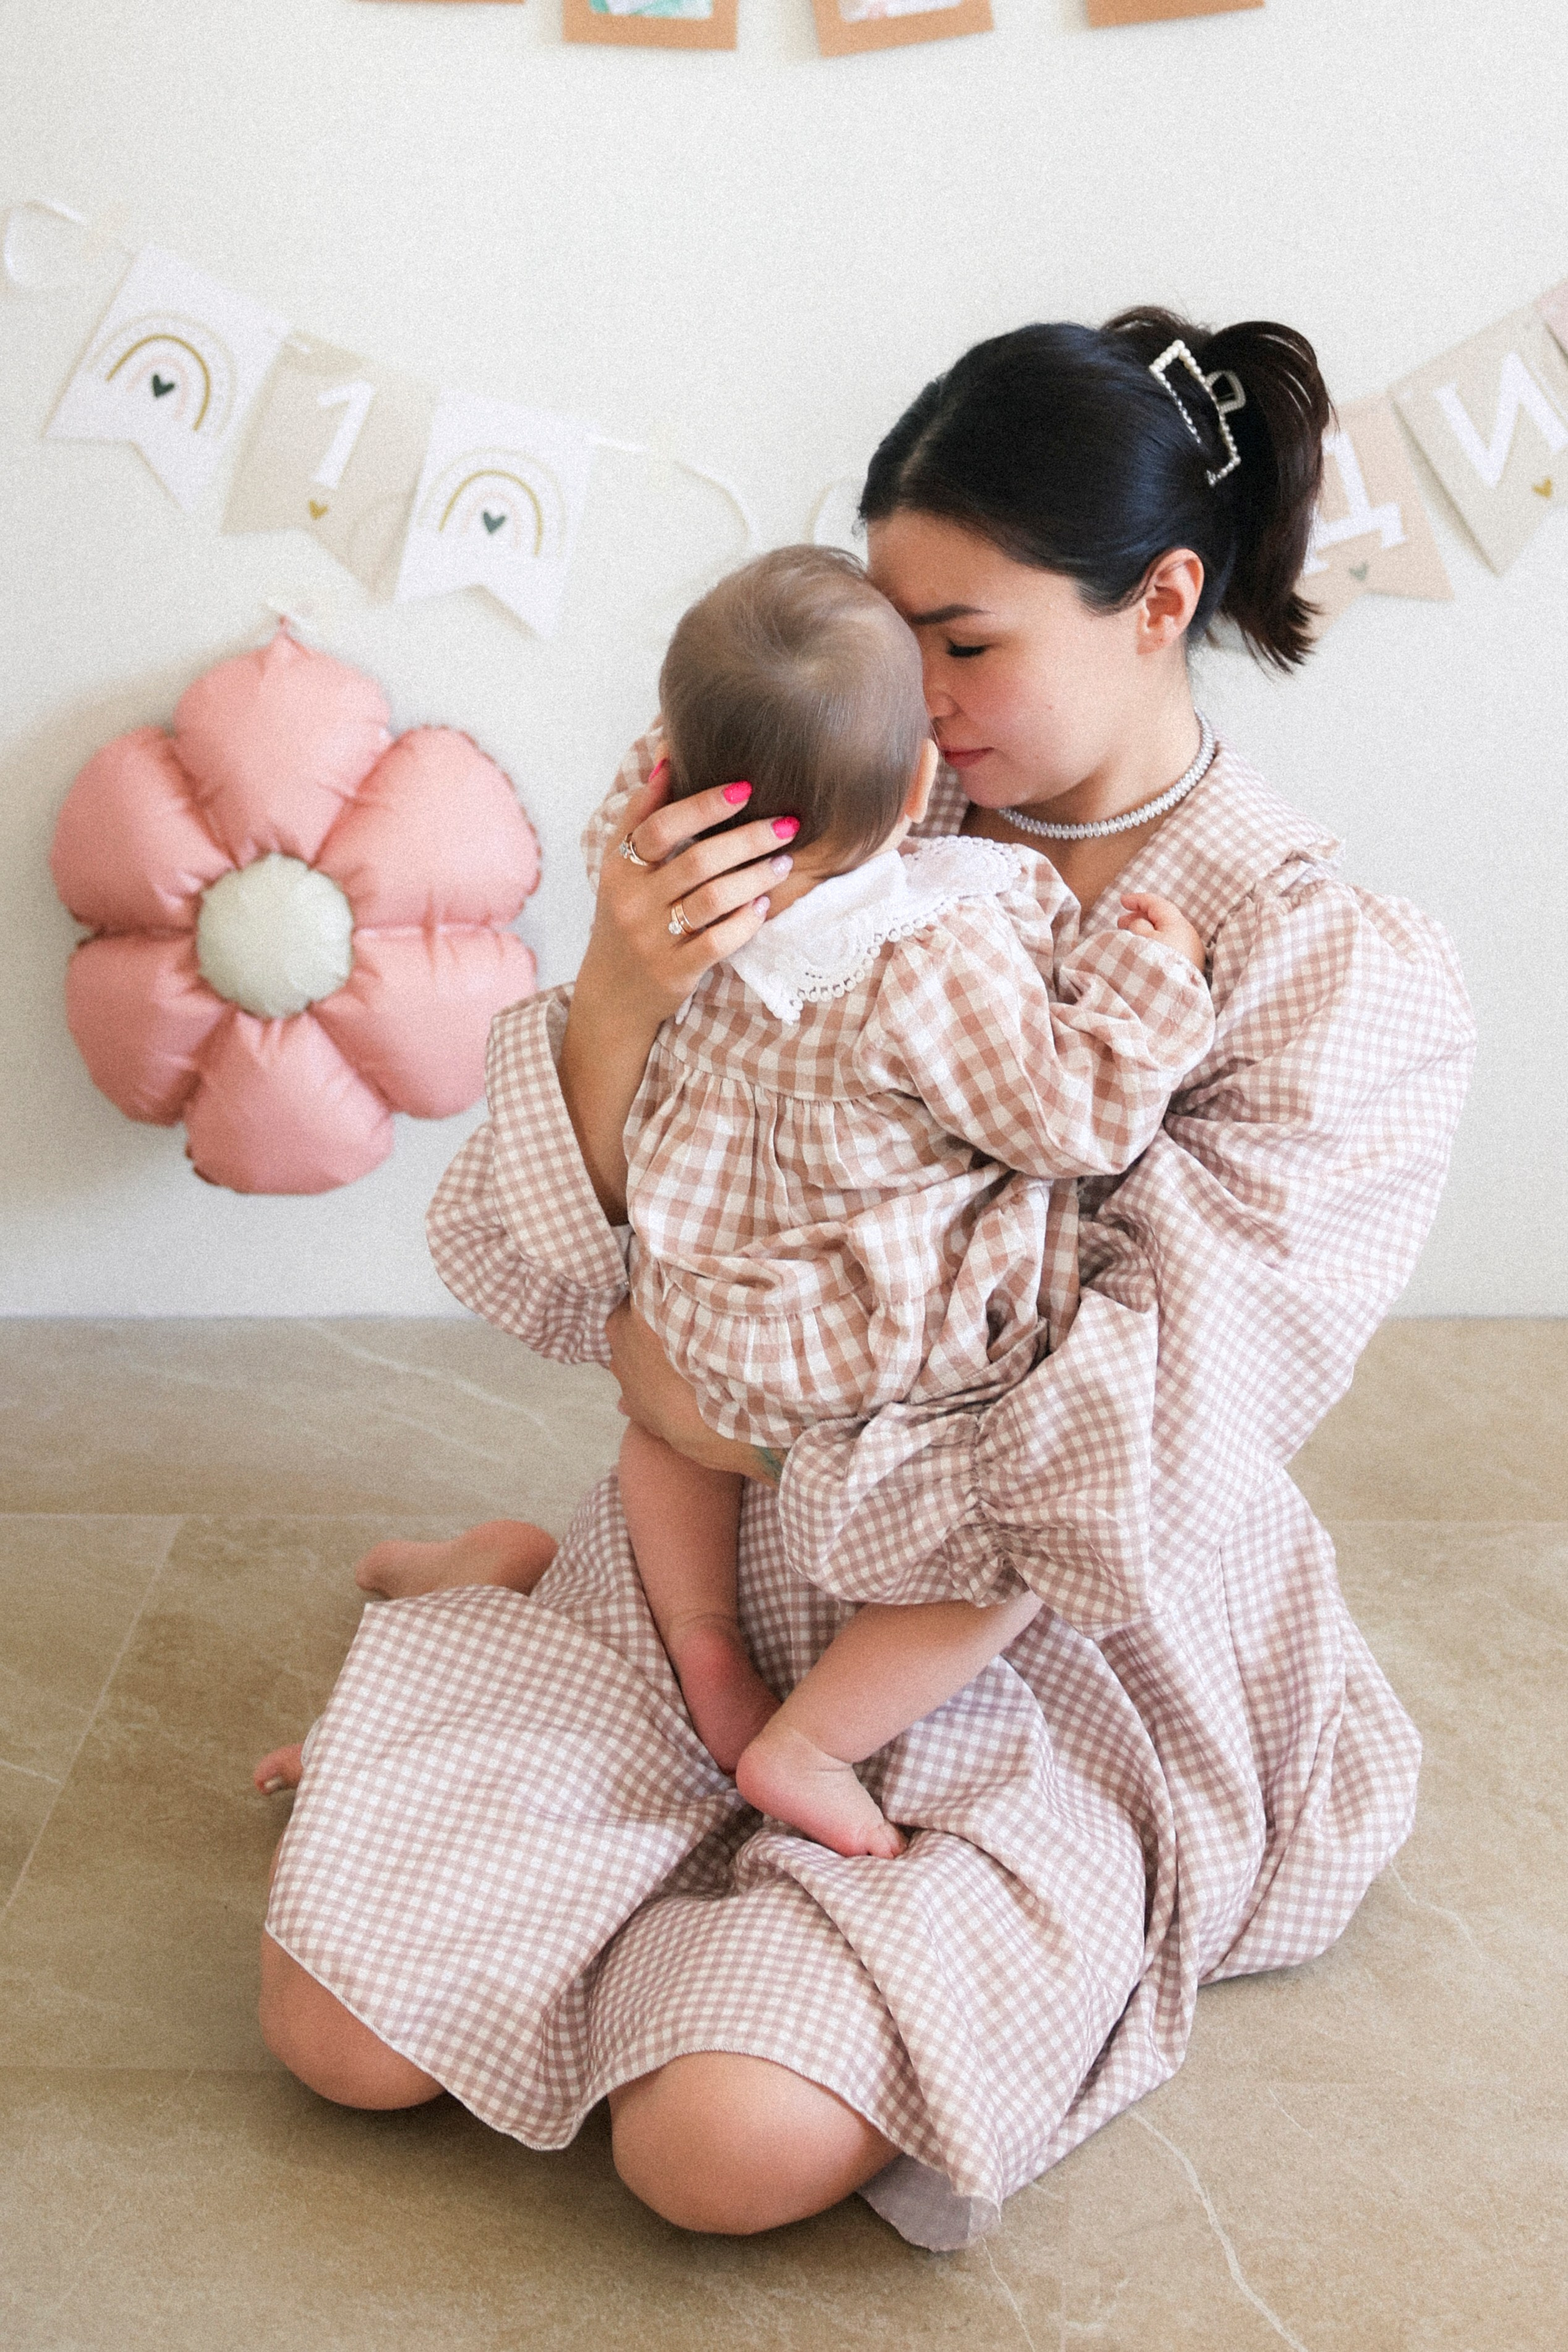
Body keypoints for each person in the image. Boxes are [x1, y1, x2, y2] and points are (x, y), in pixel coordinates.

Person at [255, 309, 1475, 2250]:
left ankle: (676, 1811)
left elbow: (1132, 1453)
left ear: (1161, 597)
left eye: (969, 643)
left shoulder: (1324, 966)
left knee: (708, 2147)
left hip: (1046, 1623)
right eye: (894, 633)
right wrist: (622, 999)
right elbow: (528, 1268)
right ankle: (511, 1624)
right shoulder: (832, 810)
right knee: (342, 2031)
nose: (916, 694)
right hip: (718, 1543)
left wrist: (706, 1403)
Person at [358, 543, 1214, 1861]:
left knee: (660, 1435)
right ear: (922, 782)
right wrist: (1150, 982)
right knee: (1016, 1538)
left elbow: (689, 775)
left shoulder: (645, 874)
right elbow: (1071, 1114)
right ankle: (808, 1739)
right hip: (855, 1366)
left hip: (687, 1322)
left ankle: (702, 1645)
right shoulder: (936, 956)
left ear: (672, 772)